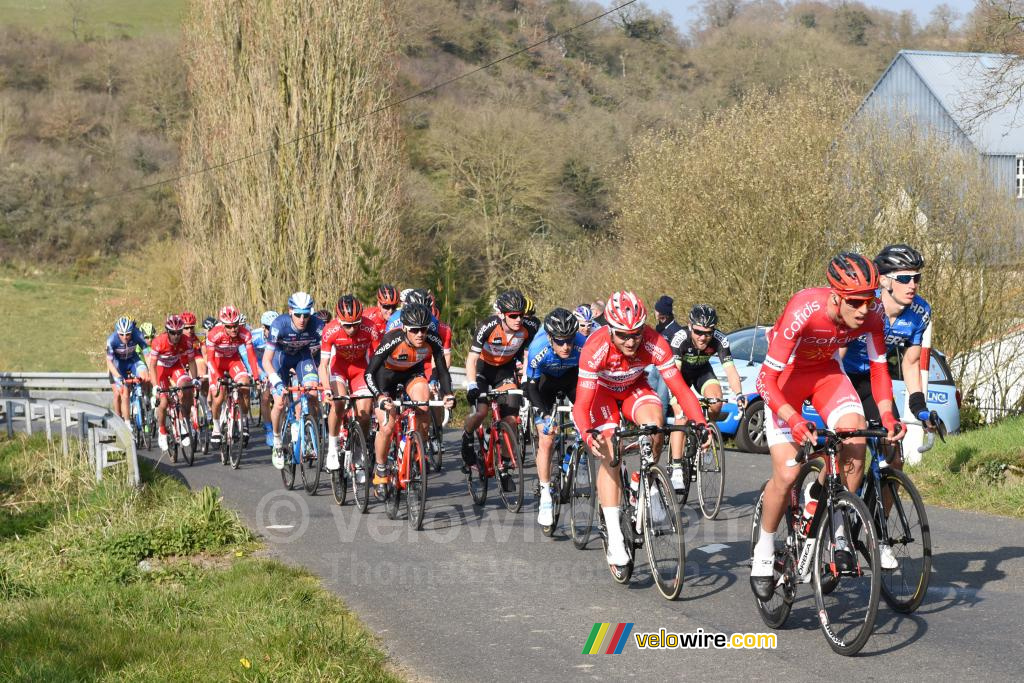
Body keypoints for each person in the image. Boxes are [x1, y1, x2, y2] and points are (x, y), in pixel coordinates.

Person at [749, 253, 904, 600]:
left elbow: (880, 369)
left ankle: (835, 528)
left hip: (825, 375)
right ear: (836, 296)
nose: (864, 310)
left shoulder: (874, 315)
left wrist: (888, 414)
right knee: (788, 474)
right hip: (786, 378)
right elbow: (764, 380)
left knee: (855, 435)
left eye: (870, 300)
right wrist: (792, 418)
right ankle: (763, 550)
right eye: (855, 302)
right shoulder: (804, 309)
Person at [573, 291, 709, 574]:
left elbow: (680, 390)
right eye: (623, 335)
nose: (631, 341)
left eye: (636, 334)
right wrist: (588, 434)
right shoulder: (594, 348)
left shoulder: (655, 342)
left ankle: (641, 481)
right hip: (602, 396)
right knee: (610, 451)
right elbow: (582, 405)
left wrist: (700, 422)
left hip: (635, 389)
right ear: (610, 329)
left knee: (656, 424)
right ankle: (614, 534)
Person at [841, 244, 933, 569]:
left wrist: (919, 406)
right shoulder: (866, 305)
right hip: (843, 376)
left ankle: (877, 535)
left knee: (893, 456)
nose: (913, 285)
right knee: (853, 446)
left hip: (875, 383)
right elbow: (835, 350)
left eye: (917, 278)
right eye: (905, 278)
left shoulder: (920, 312)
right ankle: (840, 524)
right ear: (885, 281)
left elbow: (909, 363)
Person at [365, 303, 455, 491]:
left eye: (423, 329)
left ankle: (416, 450)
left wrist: (448, 394)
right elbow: (369, 373)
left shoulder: (433, 339)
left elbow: (442, 370)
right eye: (414, 330)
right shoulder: (392, 340)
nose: (420, 334)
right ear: (405, 328)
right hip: (385, 378)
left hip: (411, 375)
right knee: (388, 427)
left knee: (424, 401)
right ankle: (380, 471)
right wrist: (380, 397)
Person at [665, 304, 746, 489]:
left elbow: (731, 371)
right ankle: (677, 466)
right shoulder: (680, 339)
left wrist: (739, 394)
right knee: (682, 415)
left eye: (708, 333)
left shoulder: (720, 340)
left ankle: (706, 434)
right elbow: (673, 375)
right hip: (679, 376)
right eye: (698, 332)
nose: (703, 337)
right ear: (690, 326)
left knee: (717, 401)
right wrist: (676, 400)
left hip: (702, 372)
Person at [460, 290, 540, 474]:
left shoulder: (529, 327)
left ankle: (504, 463)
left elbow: (529, 354)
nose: (518, 319)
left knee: (511, 419)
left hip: (504, 370)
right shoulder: (487, 326)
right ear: (501, 315)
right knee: (481, 412)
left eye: (520, 315)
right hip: (482, 369)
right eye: (513, 316)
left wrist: (527, 379)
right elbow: (471, 359)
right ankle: (467, 435)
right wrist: (472, 384)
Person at [525, 308, 586, 528]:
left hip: (571, 379)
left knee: (586, 421)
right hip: (545, 384)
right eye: (560, 342)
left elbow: (592, 381)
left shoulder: (582, 344)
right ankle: (545, 495)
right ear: (550, 338)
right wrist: (543, 414)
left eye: (569, 340)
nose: (566, 346)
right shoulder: (538, 348)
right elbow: (530, 388)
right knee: (547, 438)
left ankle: (577, 452)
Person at [263, 291, 325, 469]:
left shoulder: (317, 325)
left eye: (306, 314)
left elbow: (329, 349)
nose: (302, 319)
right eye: (298, 314)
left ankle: (310, 432)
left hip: (302, 358)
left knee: (312, 392)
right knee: (280, 402)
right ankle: (276, 441)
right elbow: (267, 360)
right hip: (280, 360)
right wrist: (276, 381)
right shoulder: (279, 325)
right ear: (290, 311)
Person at [318, 295, 377, 471]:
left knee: (365, 413)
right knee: (339, 403)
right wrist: (327, 389)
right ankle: (333, 448)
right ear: (338, 320)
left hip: (361, 370)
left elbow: (377, 359)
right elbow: (323, 365)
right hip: (339, 369)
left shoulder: (370, 328)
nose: (352, 329)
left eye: (356, 324)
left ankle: (359, 451)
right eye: (347, 325)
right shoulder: (330, 330)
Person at [206, 305, 262, 448]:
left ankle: (243, 421)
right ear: (223, 325)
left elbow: (251, 357)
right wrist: (218, 377)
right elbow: (210, 360)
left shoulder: (245, 334)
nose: (233, 329)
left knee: (244, 384)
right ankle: (217, 428)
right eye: (229, 326)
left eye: (235, 325)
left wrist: (256, 377)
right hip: (217, 363)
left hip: (233, 361)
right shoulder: (214, 334)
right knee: (218, 397)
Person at [147, 314, 199, 453]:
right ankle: (162, 431)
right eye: (173, 333)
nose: (176, 336)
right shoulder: (159, 342)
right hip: (161, 369)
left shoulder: (186, 341)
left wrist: (194, 379)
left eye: (179, 332)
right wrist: (155, 386)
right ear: (167, 331)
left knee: (187, 387)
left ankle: (183, 421)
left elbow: (192, 361)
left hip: (176, 366)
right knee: (163, 402)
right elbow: (152, 366)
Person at [105, 316, 151, 428]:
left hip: (132, 360)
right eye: (122, 334)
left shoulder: (137, 334)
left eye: (128, 334)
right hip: (118, 364)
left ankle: (145, 399)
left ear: (132, 331)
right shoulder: (112, 340)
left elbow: (147, 354)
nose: (125, 337)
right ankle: (126, 424)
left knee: (146, 376)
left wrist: (150, 369)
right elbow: (109, 363)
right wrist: (118, 377)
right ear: (117, 332)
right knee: (124, 392)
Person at [255, 310, 279, 446]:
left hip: (273, 363)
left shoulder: (280, 334)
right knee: (265, 397)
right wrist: (258, 373)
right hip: (260, 365)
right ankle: (269, 429)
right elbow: (248, 356)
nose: (272, 331)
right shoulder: (255, 336)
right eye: (269, 328)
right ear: (263, 327)